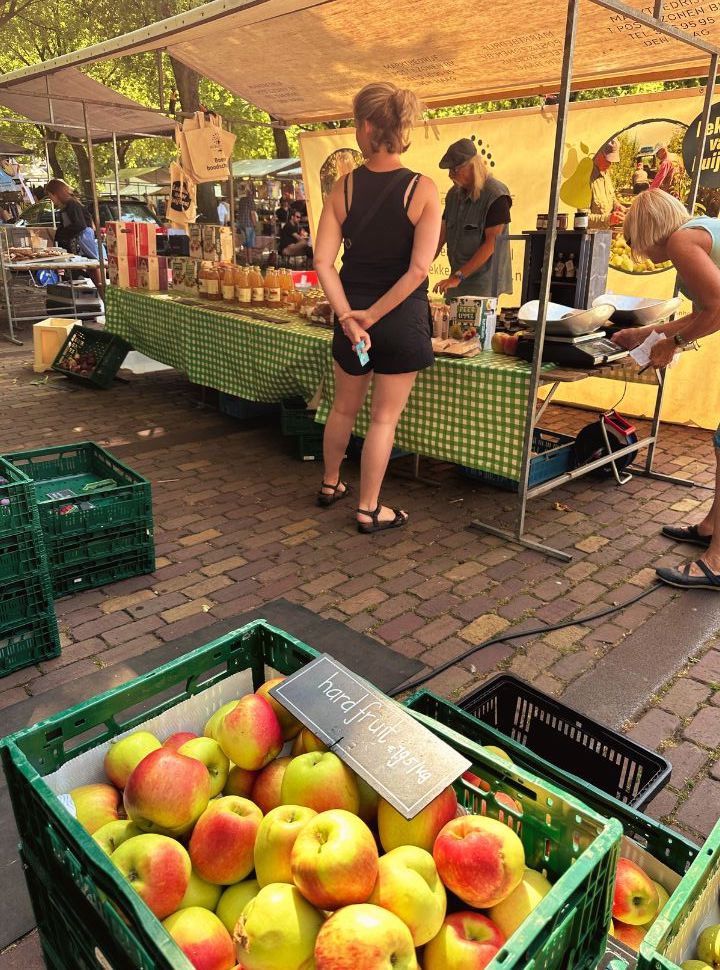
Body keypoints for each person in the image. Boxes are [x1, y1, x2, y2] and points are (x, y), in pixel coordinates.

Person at [313, 81, 440, 533]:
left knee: (343, 409)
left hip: (353, 314)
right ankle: (369, 507)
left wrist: (351, 315)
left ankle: (331, 483)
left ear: (365, 126)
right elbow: (419, 270)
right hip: (400, 317)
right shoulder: (424, 189)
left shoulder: (342, 188)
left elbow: (323, 261)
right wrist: (373, 315)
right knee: (384, 418)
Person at [613, 189, 720, 590]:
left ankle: (717, 561)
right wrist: (645, 333)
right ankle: (711, 528)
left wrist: (670, 344)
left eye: (634, 237)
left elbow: (718, 306)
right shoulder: (698, 234)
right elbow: (704, 314)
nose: (637, 249)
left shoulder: (681, 241)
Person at [432, 138, 512, 298]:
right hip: (457, 280)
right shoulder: (453, 195)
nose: (450, 175)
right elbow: (441, 235)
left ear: (472, 166)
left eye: (454, 170)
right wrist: (420, 266)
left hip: (483, 286)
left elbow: (492, 243)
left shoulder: (496, 195)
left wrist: (458, 276)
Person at [44, 179, 102, 288]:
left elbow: (79, 226)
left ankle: (103, 296)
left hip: (84, 245)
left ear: (55, 194)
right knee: (92, 274)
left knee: (95, 275)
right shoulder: (64, 208)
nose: (51, 199)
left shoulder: (72, 204)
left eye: (50, 196)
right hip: (78, 247)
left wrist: (60, 235)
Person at [589, 138, 626, 229]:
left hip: (605, 234)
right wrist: (608, 219)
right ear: (598, 153)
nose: (610, 164)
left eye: (612, 161)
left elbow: (611, 196)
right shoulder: (587, 178)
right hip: (590, 238)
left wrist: (617, 205)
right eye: (608, 160)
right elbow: (582, 219)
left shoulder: (606, 174)